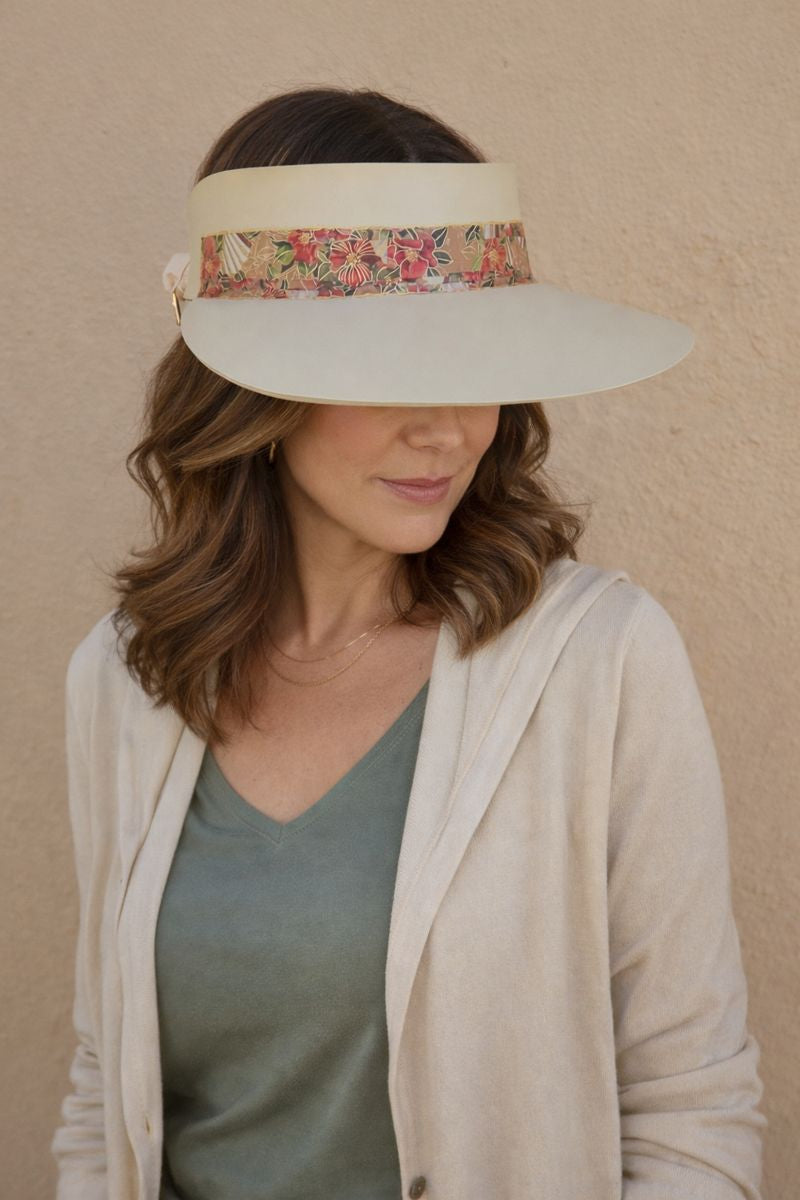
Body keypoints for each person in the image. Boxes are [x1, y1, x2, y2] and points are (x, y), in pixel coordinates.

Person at [50, 86, 766, 1200]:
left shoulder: (598, 663)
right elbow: (108, 1089)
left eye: (474, 362)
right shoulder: (128, 676)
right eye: (393, 367)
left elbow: (690, 1108)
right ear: (251, 388)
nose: (447, 428)